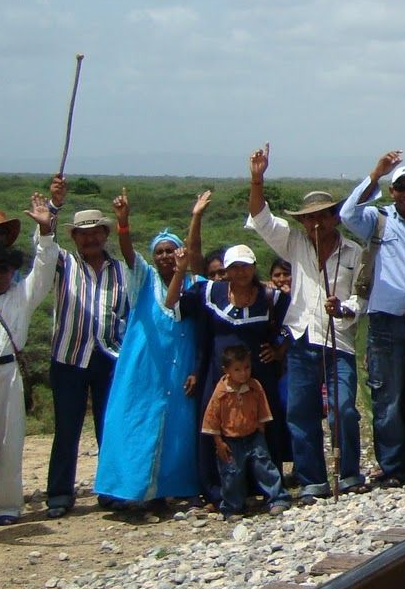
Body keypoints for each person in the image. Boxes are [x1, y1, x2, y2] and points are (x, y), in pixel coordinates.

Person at [246, 146, 365, 501]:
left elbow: (362, 297)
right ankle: (313, 479)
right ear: (301, 222)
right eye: (309, 218)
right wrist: (257, 178)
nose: (315, 224)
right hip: (300, 339)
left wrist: (343, 308)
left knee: (344, 409)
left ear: (335, 218)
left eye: (323, 217)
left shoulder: (354, 253)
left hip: (338, 340)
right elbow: (261, 217)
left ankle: (348, 474)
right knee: (300, 411)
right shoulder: (294, 243)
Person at [339, 152, 405, 485]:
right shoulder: (378, 219)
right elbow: (347, 214)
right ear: (393, 191)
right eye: (401, 188)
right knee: (388, 397)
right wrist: (375, 175)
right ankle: (391, 466)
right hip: (385, 321)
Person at [93, 198, 204, 509]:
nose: (166, 256)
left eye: (171, 250)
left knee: (176, 427)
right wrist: (123, 221)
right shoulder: (144, 279)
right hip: (143, 367)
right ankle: (126, 489)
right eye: (160, 251)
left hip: (179, 367)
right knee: (134, 423)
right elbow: (127, 250)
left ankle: (166, 490)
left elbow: (196, 251)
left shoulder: (193, 281)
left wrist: (195, 217)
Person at [173, 242, 291, 508]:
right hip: (219, 374)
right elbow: (176, 306)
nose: (240, 273)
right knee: (218, 428)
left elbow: (294, 321)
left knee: (261, 427)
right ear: (226, 270)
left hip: (258, 374)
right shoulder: (210, 292)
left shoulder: (270, 297)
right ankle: (221, 492)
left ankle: (266, 488)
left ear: (253, 268)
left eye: (245, 267)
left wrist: (279, 349)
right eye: (234, 267)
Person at [44, 186, 138, 518]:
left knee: (108, 426)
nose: (89, 240)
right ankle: (58, 494)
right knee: (67, 428)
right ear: (75, 238)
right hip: (69, 356)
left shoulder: (120, 271)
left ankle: (111, 489)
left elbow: (129, 311)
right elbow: (43, 246)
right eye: (82, 235)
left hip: (109, 357)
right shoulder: (63, 264)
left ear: (104, 234)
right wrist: (53, 207)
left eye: (95, 233)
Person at [0, 197, 58, 526]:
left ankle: (6, 505)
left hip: (9, 371)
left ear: (12, 270)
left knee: (10, 441)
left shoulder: (23, 295)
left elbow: (45, 270)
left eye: (3, 269)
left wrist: (45, 229)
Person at [201, 343, 287, 519]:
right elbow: (212, 418)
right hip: (230, 440)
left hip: (254, 436)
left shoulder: (255, 386)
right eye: (238, 370)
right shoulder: (220, 393)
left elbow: (262, 407)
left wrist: (261, 429)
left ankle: (277, 498)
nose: (244, 373)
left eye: (247, 368)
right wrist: (218, 442)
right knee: (232, 473)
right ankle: (232, 507)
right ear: (226, 370)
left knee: (264, 466)